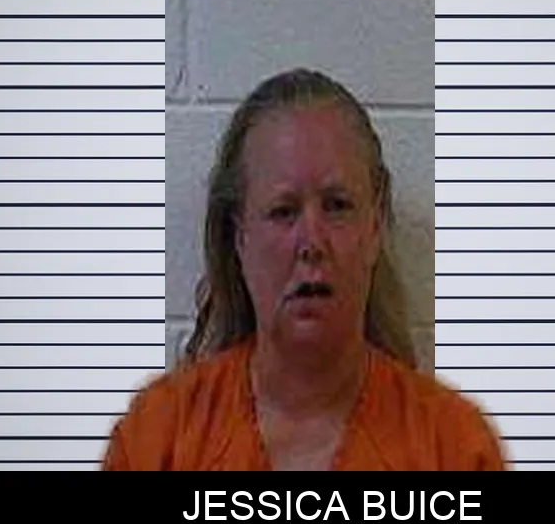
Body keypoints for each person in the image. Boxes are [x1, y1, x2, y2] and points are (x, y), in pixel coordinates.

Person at [102, 69, 507, 471]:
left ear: (374, 225)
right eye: (283, 211)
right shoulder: (154, 441)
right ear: (240, 235)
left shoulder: (455, 447)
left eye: (337, 206)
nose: (311, 242)